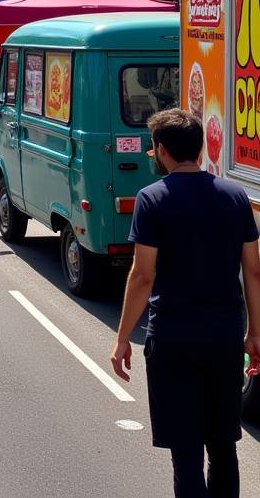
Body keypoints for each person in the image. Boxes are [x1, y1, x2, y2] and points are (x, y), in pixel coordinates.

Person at [110, 109, 260, 498]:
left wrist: (123, 336)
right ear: (201, 148)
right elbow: (253, 272)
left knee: (187, 451)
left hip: (173, 339)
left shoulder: (152, 198)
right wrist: (254, 333)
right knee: (224, 446)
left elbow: (143, 275)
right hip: (224, 336)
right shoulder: (235, 196)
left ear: (161, 151)